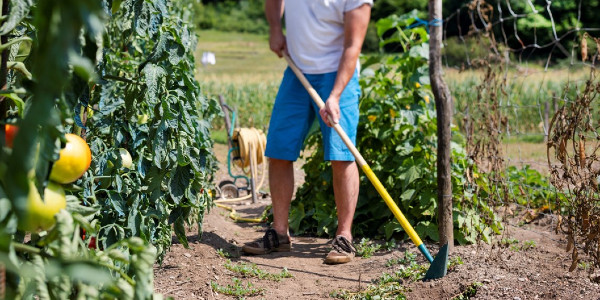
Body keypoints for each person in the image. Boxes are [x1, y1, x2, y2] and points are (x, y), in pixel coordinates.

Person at [242, 0, 372, 264]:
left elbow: (353, 46)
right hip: (297, 70)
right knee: (279, 149)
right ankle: (279, 233)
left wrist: (334, 96)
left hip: (338, 75)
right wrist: (275, 28)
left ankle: (344, 236)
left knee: (342, 154)